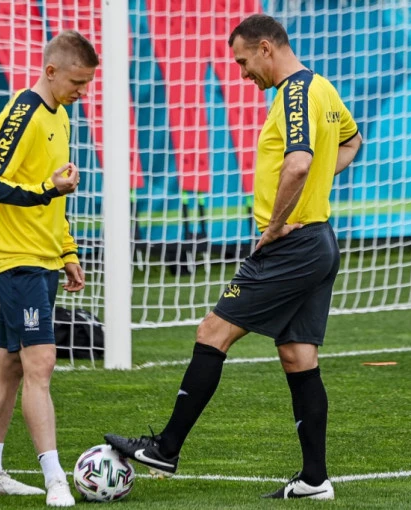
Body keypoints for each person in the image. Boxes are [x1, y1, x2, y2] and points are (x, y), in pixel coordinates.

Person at [105, 14, 362, 501]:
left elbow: (300, 163)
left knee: (212, 332)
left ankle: (166, 448)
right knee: (298, 355)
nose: (243, 74)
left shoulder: (295, 93)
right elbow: (352, 140)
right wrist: (315, 185)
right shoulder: (322, 88)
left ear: (266, 48)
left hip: (291, 245)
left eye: (244, 62)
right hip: (319, 242)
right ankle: (314, 479)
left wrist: (276, 223)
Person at [0, 30, 98, 508]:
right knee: (40, 363)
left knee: (9, 362)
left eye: (87, 83)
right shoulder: (21, 113)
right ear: (50, 71)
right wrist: (47, 189)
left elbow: (54, 194)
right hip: (15, 257)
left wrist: (68, 252)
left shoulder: (61, 116)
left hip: (43, 257)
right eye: (77, 82)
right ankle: (55, 479)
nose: (82, 91)